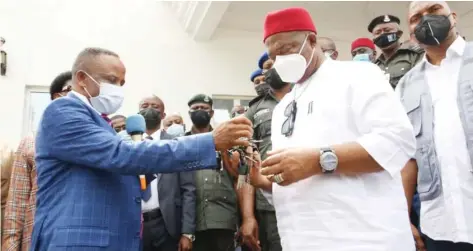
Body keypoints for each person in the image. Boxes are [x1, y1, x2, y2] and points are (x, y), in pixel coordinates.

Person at [31, 47, 253, 251]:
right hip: (78, 242)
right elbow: (120, 155)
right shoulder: (63, 111)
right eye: (111, 80)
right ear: (81, 78)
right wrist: (208, 141)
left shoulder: (98, 121)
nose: (117, 89)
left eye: (121, 83)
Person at [248, 7, 416, 251]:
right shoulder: (283, 108)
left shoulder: (358, 75)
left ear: (312, 40)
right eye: (274, 57)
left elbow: (397, 142)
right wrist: (263, 181)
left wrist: (319, 160)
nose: (280, 61)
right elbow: (296, 182)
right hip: (302, 239)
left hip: (365, 238)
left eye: (286, 50)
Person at [397, 1, 473, 250]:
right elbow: (407, 157)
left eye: (434, 10)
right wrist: (403, 218)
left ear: (452, 17)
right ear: (411, 34)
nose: (426, 19)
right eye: (417, 17)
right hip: (440, 226)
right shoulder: (406, 86)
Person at [2, 71, 72, 251]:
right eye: (73, 91)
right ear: (58, 96)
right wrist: (10, 246)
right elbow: (17, 203)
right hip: (37, 238)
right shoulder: (30, 143)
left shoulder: (98, 143)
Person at [138, 96, 195, 251]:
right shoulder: (128, 144)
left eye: (155, 106)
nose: (149, 109)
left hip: (167, 226)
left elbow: (188, 190)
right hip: (136, 225)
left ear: (163, 115)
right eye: (145, 105)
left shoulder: (177, 145)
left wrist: (187, 233)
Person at [184, 94, 240, 251]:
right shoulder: (182, 143)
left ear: (212, 113)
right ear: (189, 113)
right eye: (195, 108)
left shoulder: (228, 141)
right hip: (191, 220)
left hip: (222, 217)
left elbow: (238, 178)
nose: (200, 111)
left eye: (204, 108)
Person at [368, 14, 424, 88]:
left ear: (399, 33)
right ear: (374, 40)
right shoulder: (375, 66)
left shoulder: (415, 54)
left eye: (387, 30)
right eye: (378, 33)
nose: (382, 34)